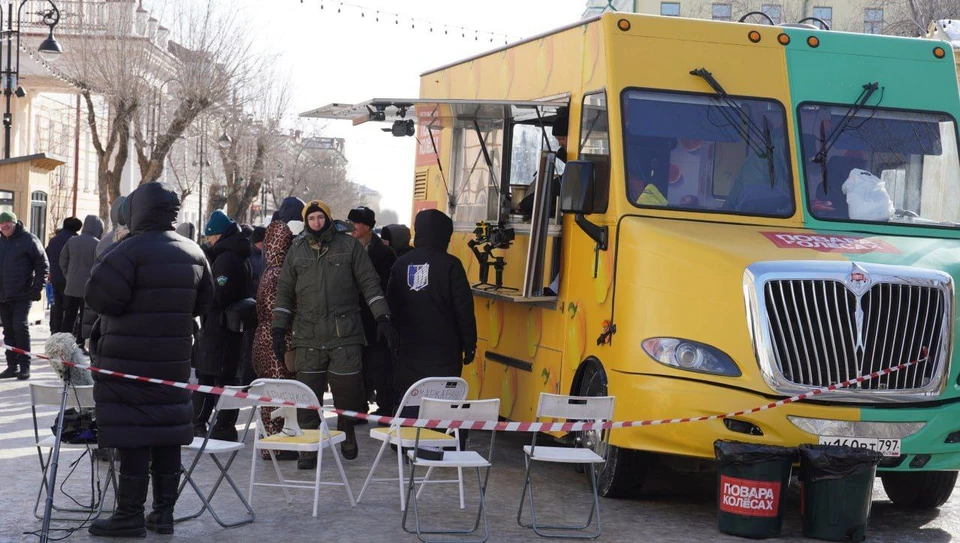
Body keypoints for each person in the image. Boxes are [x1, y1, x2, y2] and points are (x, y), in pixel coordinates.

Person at [84, 182, 214, 538]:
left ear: (138, 210)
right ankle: (163, 515)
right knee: (168, 434)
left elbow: (100, 299)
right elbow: (203, 305)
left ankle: (129, 514)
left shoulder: (126, 251)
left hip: (129, 363)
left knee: (135, 436)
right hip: (171, 363)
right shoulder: (194, 251)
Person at [272, 200, 398, 466]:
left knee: (348, 390)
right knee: (308, 394)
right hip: (308, 334)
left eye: (320, 218)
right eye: (312, 219)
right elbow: (284, 291)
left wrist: (383, 317)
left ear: (328, 218)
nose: (316, 223)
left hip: (345, 334)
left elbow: (370, 284)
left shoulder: (349, 246)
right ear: (307, 222)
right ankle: (309, 448)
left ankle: (347, 428)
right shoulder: (297, 250)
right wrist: (278, 327)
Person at [387, 209, 477, 408]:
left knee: (409, 400)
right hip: (444, 351)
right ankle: (439, 438)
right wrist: (470, 344)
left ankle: (406, 437)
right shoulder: (451, 265)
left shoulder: (401, 264)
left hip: (410, 349)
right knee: (442, 403)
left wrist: (395, 341)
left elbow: (391, 307)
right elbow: (464, 310)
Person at [193, 210, 252, 441]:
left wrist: (202, 299)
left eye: (211, 236)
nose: (208, 241)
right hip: (228, 328)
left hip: (219, 328)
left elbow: (218, 295)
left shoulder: (227, 258)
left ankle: (205, 424)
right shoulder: (236, 253)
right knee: (223, 378)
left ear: (220, 235)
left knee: (211, 376)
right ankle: (221, 426)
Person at [251, 198, 303, 460]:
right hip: (277, 342)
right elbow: (280, 312)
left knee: (271, 396)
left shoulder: (269, 267)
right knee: (281, 394)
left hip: (264, 339)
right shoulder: (282, 272)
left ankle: (271, 445)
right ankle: (278, 447)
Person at [347, 206, 398, 417]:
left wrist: (385, 317)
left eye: (355, 223)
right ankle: (358, 409)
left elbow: (390, 287)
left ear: (367, 227)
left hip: (376, 319)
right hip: (351, 318)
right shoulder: (344, 248)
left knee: (380, 366)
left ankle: (386, 409)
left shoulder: (385, 253)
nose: (351, 227)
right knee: (355, 366)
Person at [0, 211, 48, 380]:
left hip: (22, 293)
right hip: (3, 296)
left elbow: (42, 264)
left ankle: (25, 366)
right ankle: (12, 366)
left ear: (15, 223)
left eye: (8, 223)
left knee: (20, 327)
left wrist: (37, 288)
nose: (5, 226)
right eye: (2, 223)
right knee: (8, 331)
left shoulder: (28, 239)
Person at [60, 215, 104, 343]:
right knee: (85, 318)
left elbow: (63, 260)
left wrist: (68, 275)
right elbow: (99, 265)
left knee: (69, 316)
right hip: (88, 287)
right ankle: (80, 342)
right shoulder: (97, 244)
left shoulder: (72, 241)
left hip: (71, 286)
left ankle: (64, 341)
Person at [45, 217, 82, 333]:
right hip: (70, 280)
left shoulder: (54, 240)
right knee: (70, 309)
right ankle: (67, 333)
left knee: (56, 307)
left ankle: (55, 331)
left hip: (55, 279)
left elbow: (47, 255)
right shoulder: (75, 240)